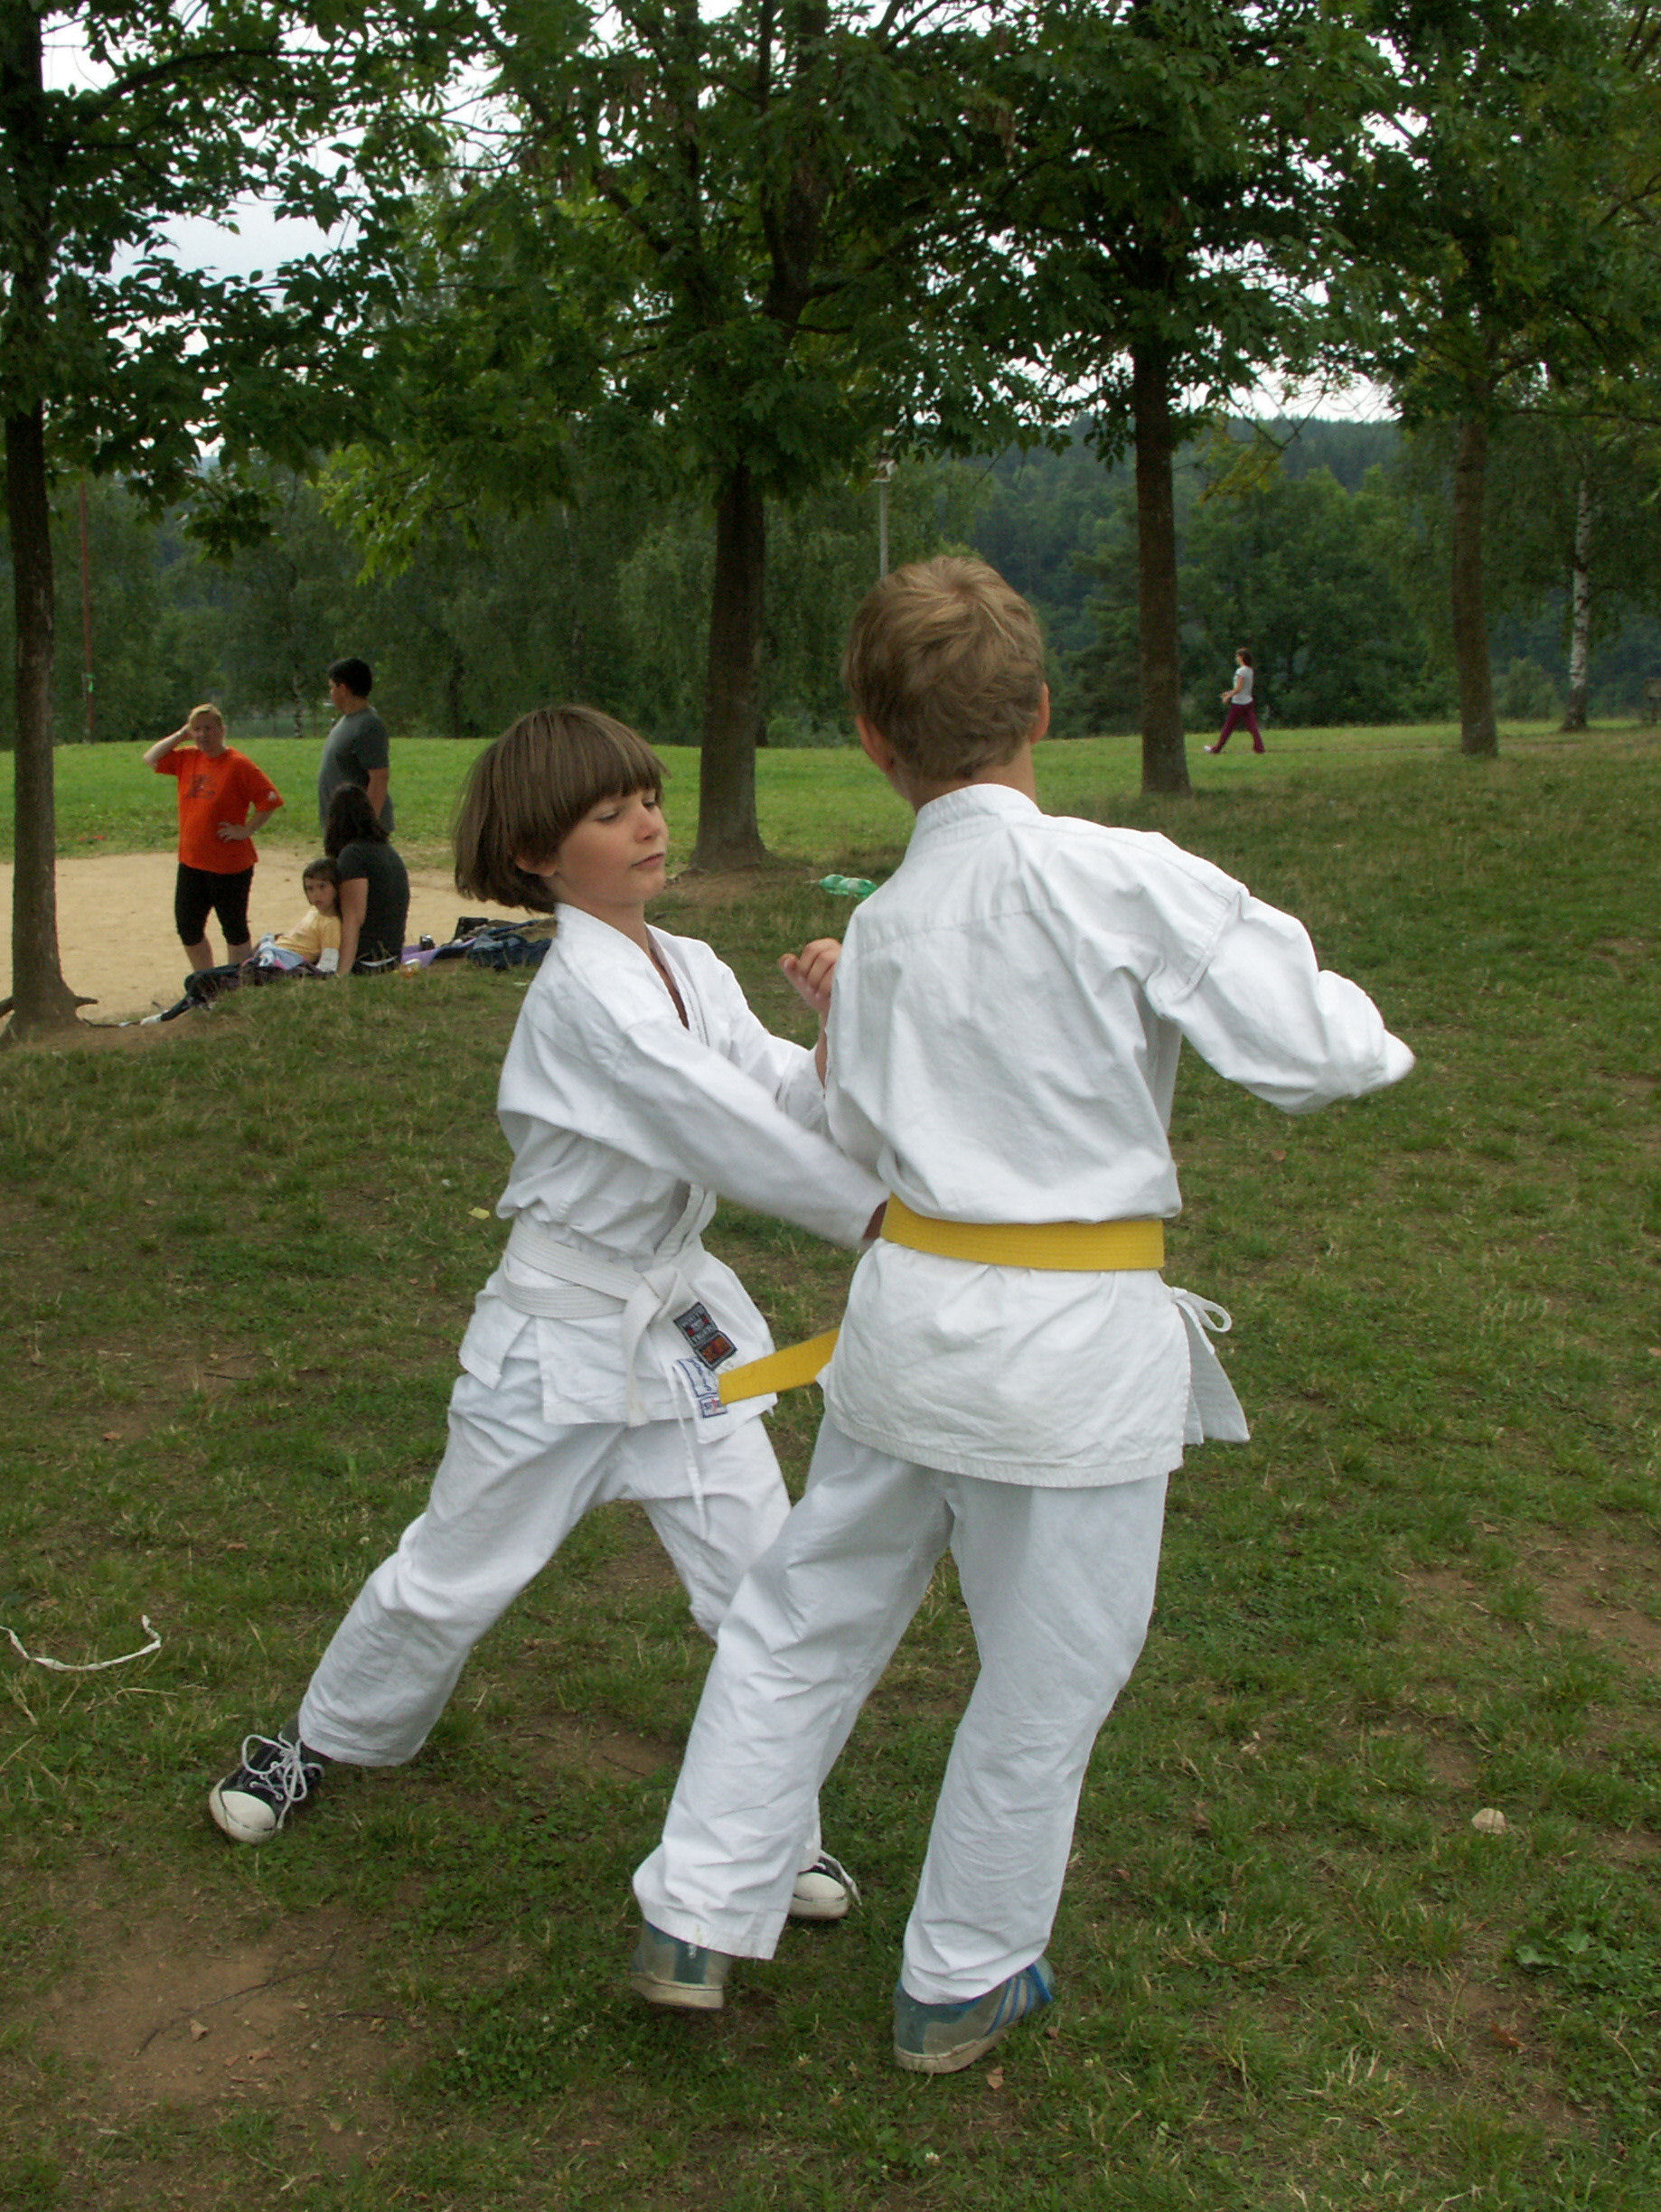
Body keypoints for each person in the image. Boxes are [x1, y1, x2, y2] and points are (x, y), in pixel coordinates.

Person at [629, 558, 1413, 2073]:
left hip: (912, 1332)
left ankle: (695, 1907)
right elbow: (1317, 1054)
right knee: (1045, 1675)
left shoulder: (893, 924)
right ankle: (961, 1975)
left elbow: (857, 1134)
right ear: (1040, 710)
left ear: (872, 738)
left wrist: (857, 1025)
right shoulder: (1118, 876)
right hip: (1065, 1357)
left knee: (802, 1617)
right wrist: (1354, 1029)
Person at [207, 705, 887, 1929]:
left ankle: (766, 1831)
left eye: (648, 800)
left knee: (764, 1586)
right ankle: (317, 1739)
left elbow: (783, 1095)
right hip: (556, 1341)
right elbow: (718, 1126)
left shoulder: (690, 965)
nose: (647, 826)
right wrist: (890, 1225)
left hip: (678, 1338)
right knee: (454, 1575)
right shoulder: (585, 995)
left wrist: (840, 1028)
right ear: (535, 856)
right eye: (608, 814)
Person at [143, 705, 284, 973]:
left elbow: (269, 800)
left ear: (222, 730)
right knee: (188, 927)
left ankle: (235, 982)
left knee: (233, 928)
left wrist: (246, 830)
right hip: (192, 861)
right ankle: (206, 979)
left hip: (229, 864)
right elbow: (150, 758)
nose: (203, 735)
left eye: (209, 728)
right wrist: (181, 735)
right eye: (197, 729)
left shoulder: (238, 764)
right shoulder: (188, 758)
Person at [324, 787, 410, 972]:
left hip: (367, 959)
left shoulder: (353, 855)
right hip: (392, 956)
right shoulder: (388, 851)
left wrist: (342, 972)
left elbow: (354, 918)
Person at [317, 657, 394, 833]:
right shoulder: (348, 721)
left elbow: (379, 778)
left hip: (358, 832)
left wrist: (366, 827)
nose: (330, 693)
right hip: (341, 828)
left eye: (332, 687)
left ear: (343, 689)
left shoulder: (368, 725)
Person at [255, 858, 343, 973]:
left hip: (285, 961)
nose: (316, 894)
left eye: (322, 886)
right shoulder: (314, 911)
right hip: (275, 950)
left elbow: (328, 963)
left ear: (336, 888)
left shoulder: (332, 924)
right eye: (310, 889)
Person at [1206, 648, 1263, 754]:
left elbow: (1238, 688)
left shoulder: (1241, 671)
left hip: (1238, 703)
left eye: (1237, 656)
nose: (1236, 658)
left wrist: (1228, 697)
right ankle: (1259, 748)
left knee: (1228, 727)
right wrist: (1228, 693)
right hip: (1248, 701)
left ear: (1241, 657)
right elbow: (1243, 688)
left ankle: (1217, 749)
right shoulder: (1250, 670)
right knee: (1253, 727)